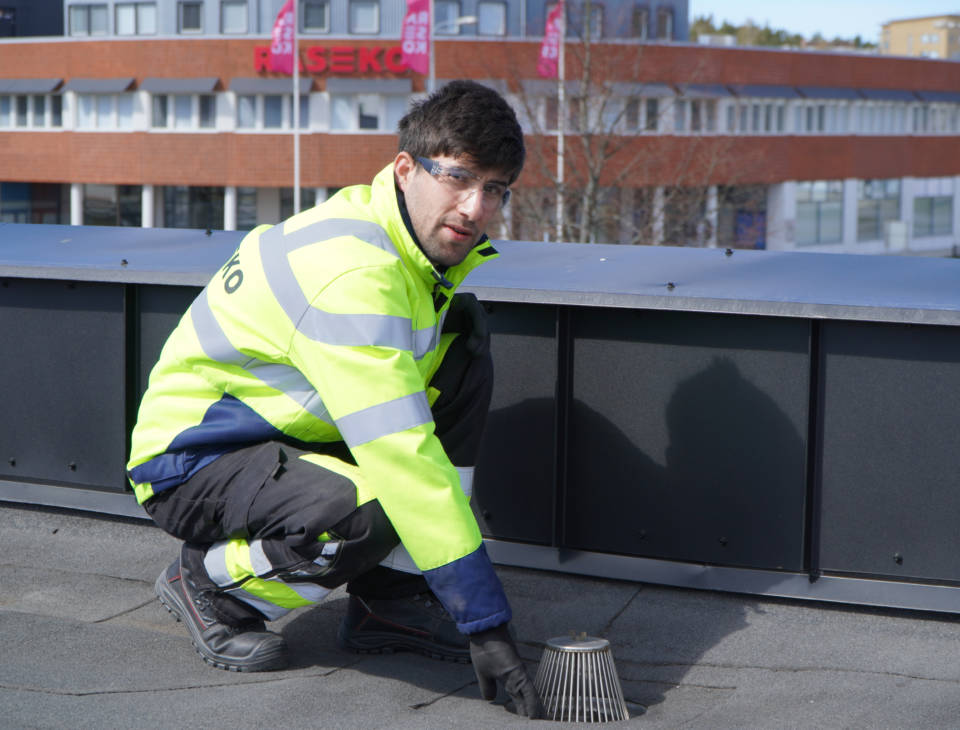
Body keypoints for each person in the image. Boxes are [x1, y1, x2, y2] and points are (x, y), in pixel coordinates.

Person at [126, 80, 543, 718]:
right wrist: (485, 623)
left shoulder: (408, 245)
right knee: (370, 509)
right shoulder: (354, 271)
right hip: (193, 458)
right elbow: (401, 453)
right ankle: (212, 585)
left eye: (494, 188)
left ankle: (392, 598)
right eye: (459, 178)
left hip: (286, 434)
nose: (475, 206)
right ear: (406, 169)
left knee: (461, 354)